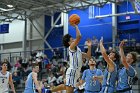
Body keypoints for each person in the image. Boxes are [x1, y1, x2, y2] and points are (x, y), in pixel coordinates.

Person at [43, 24, 92, 93]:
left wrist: (89, 47)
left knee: (66, 87)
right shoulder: (71, 48)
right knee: (69, 90)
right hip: (72, 71)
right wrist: (76, 27)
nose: (74, 39)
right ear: (69, 43)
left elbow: (88, 56)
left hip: (76, 72)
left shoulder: (78, 50)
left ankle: (49, 91)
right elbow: (79, 36)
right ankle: (49, 91)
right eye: (72, 39)